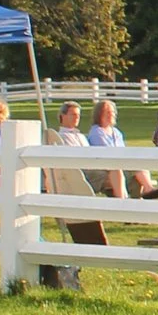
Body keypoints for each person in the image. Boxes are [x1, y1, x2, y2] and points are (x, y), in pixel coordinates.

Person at [46, 102, 106, 246]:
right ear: (62, 116)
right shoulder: (60, 138)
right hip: (78, 173)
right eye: (73, 114)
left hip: (92, 169)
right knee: (112, 174)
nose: (76, 118)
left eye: (78, 115)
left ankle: (126, 204)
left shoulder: (81, 136)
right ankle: (122, 204)